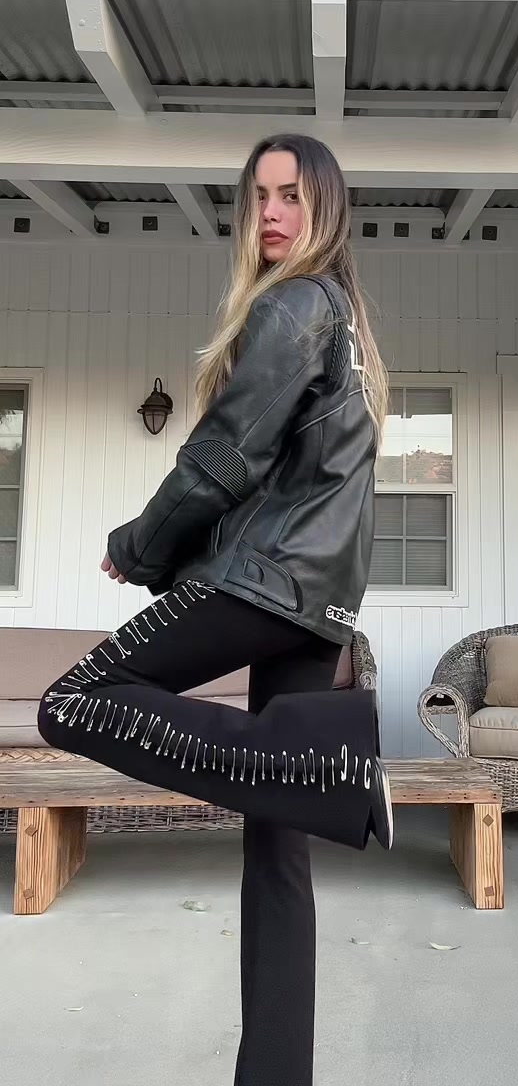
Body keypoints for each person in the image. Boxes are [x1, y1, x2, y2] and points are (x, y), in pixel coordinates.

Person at [37, 133, 393, 1086]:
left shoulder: (297, 305)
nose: (271, 212)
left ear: (326, 206)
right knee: (278, 854)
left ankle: (326, 765)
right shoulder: (347, 325)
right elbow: (286, 473)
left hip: (267, 583)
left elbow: (225, 454)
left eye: (293, 195)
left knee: (70, 701)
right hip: (317, 599)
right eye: (260, 196)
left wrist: (139, 545)